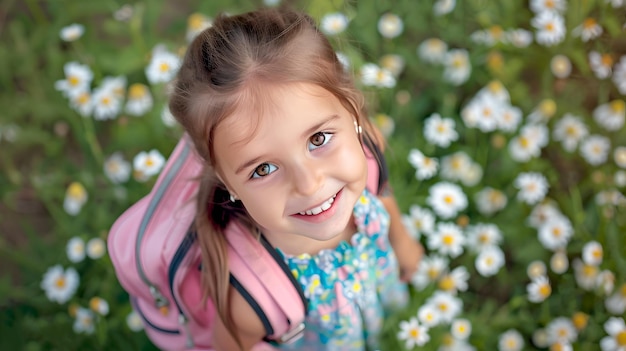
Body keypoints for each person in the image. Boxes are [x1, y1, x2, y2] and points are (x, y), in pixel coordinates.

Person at [168, 7, 424, 351]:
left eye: (318, 139)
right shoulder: (249, 297)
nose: (308, 184)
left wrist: (402, 240)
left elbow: (381, 189)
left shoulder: (367, 148)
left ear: (353, 115)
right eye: (263, 169)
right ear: (227, 182)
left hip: (387, 307)